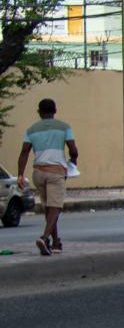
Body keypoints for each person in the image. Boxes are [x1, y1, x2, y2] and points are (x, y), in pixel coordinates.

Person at [16, 97, 77, 257]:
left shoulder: (31, 129)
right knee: (55, 208)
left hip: (38, 173)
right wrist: (73, 161)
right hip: (56, 172)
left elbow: (24, 152)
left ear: (39, 112)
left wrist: (20, 174)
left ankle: (56, 243)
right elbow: (73, 149)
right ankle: (44, 238)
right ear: (55, 111)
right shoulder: (64, 127)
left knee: (49, 209)